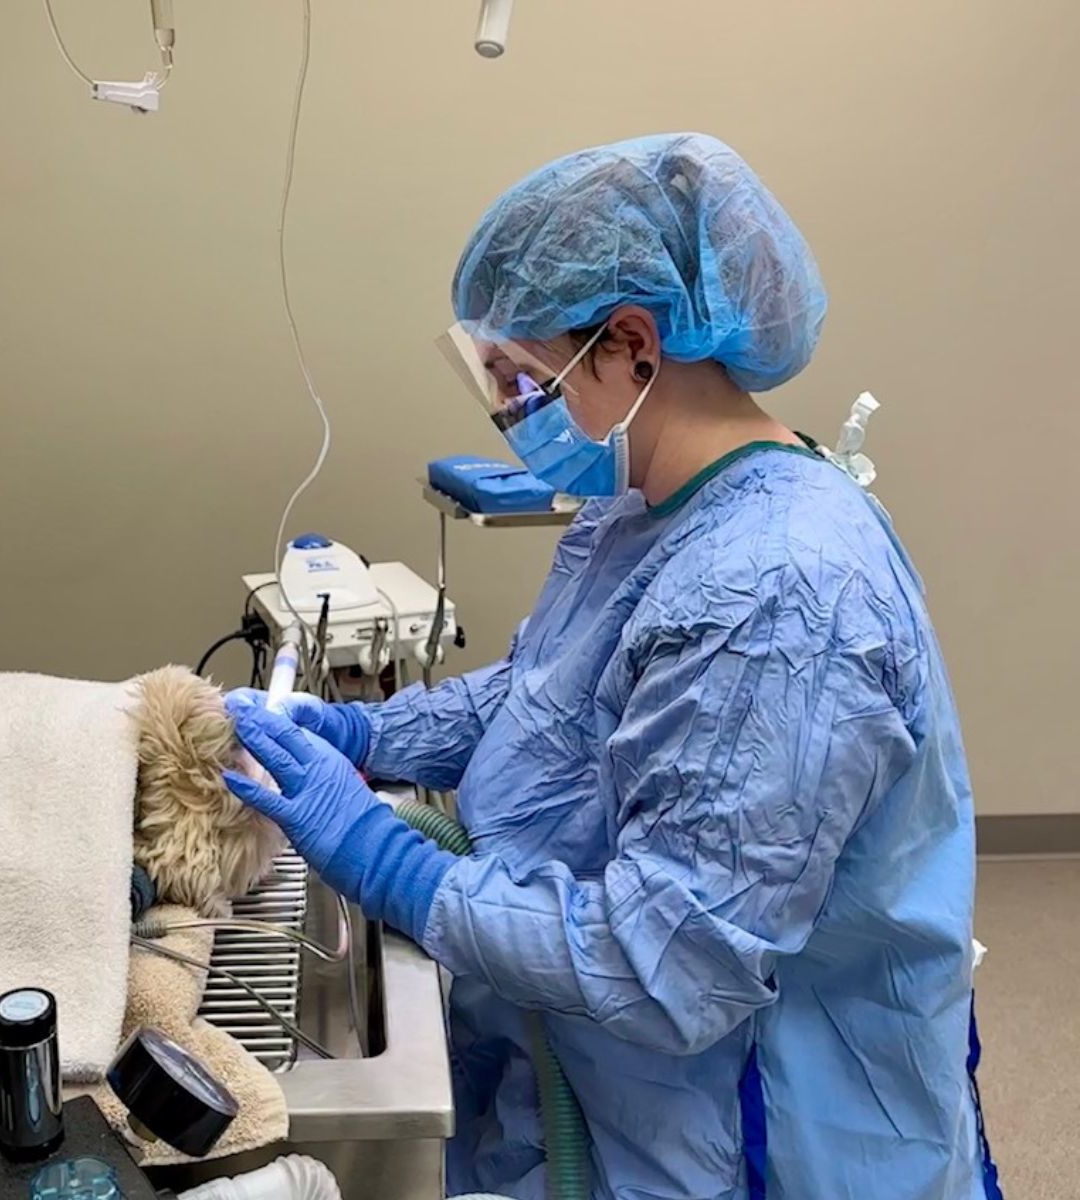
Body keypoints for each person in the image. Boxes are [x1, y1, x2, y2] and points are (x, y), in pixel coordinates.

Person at [224, 134, 1002, 1200]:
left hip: (743, 1134)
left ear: (631, 343)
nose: (507, 412)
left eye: (519, 378)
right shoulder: (636, 507)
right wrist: (365, 735)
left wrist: (391, 863)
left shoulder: (778, 594)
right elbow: (545, 689)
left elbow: (666, 965)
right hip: (598, 1078)